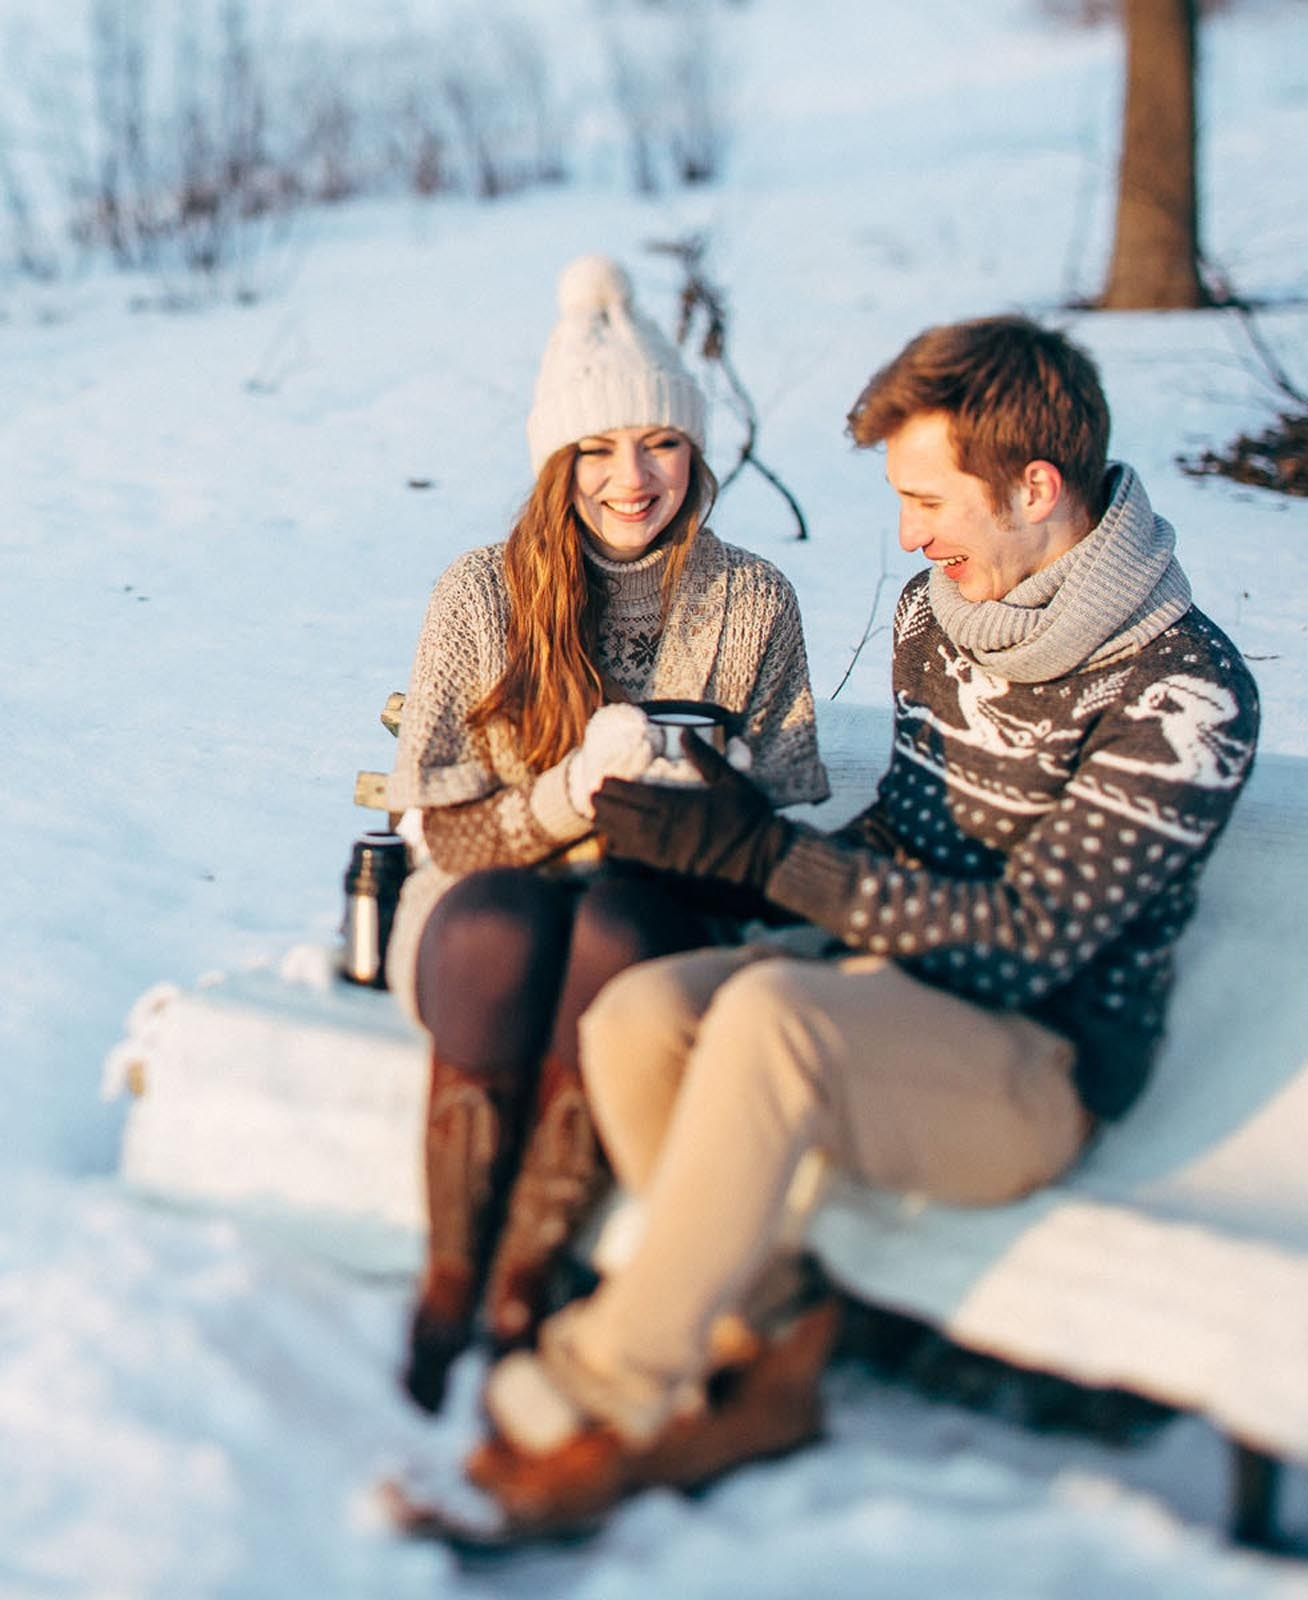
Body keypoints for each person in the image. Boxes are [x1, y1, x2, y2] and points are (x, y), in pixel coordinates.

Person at [457, 315, 1262, 1533]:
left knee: (774, 1017)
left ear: (1035, 487)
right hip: (878, 1002)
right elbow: (907, 840)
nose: (909, 535)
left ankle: (598, 1388)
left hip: (1032, 1067)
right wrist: (737, 858)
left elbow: (1033, 937)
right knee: (641, 1014)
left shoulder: (1184, 694)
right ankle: (763, 1337)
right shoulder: (939, 617)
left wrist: (775, 863)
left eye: (929, 499)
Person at [382, 255, 829, 1414]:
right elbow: (441, 830)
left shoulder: (751, 599)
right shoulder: (481, 594)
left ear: (698, 452)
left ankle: (531, 1271)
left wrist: (708, 803)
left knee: (618, 926)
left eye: (661, 444)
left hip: (659, 907)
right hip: (488, 900)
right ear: (554, 464)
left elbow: (783, 813)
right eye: (595, 449)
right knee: (499, 922)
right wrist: (570, 794)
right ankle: (449, 1274)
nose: (633, 479)